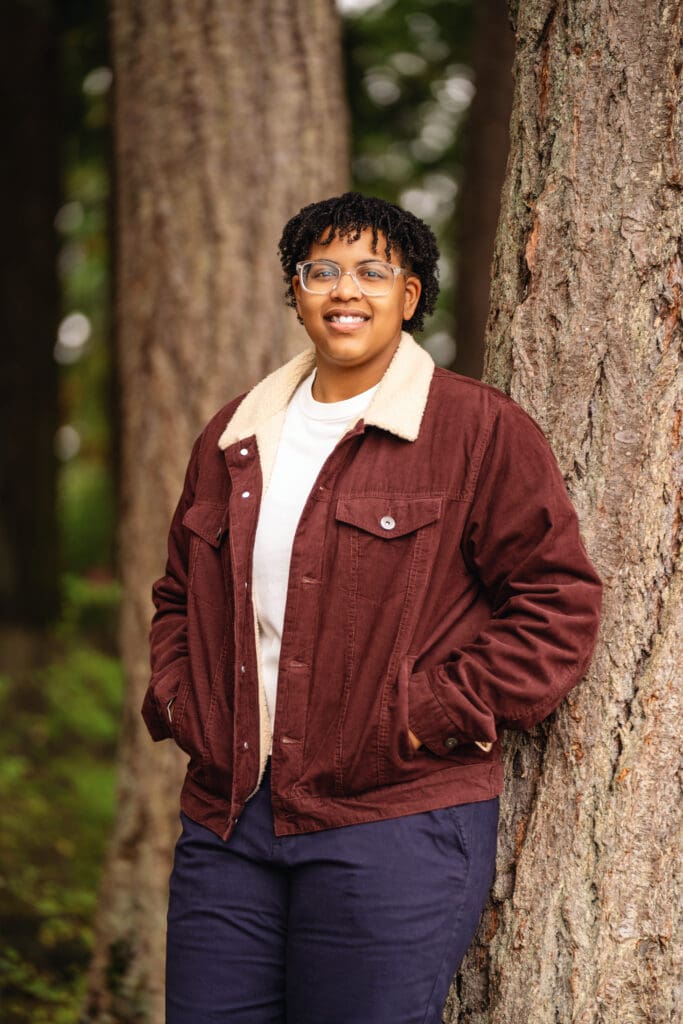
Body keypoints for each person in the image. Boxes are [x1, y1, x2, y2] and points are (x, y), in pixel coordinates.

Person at [143, 191, 602, 1024]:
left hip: (392, 820)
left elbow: (555, 599)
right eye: (321, 271)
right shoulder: (231, 438)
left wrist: (426, 715)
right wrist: (181, 701)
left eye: (371, 271)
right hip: (228, 820)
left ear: (410, 294)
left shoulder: (473, 429)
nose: (344, 290)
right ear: (295, 293)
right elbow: (177, 595)